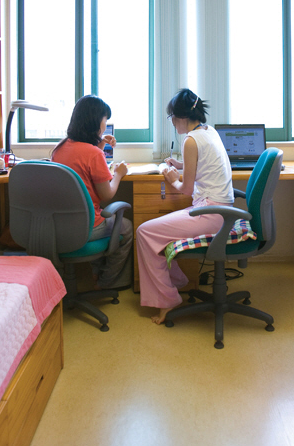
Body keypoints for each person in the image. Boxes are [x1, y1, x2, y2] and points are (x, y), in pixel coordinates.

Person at [137, 89, 234, 324]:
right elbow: (206, 162)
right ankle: (178, 282)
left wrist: (173, 179)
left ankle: (168, 299)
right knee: (154, 233)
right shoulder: (209, 131)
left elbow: (187, 189)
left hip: (210, 213)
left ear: (180, 117)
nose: (171, 122)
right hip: (221, 211)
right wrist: (180, 164)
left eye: (171, 117)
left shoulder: (190, 140)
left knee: (144, 232)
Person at [50, 95, 134, 289]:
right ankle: (106, 283)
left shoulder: (59, 148)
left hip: (59, 226)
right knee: (127, 228)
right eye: (105, 119)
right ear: (96, 121)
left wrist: (100, 146)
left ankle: (95, 273)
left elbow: (82, 169)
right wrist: (119, 174)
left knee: (101, 215)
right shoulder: (93, 154)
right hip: (87, 227)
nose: (105, 125)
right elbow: (107, 195)